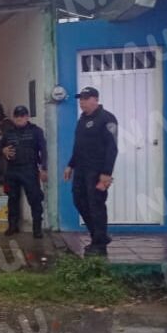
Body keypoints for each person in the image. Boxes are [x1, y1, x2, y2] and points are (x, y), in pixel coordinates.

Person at [63, 87, 118, 256]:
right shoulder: (82, 119)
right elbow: (78, 146)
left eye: (86, 99)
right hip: (81, 169)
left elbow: (112, 148)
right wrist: (70, 165)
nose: (82, 102)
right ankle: (99, 236)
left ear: (96, 99)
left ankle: (99, 244)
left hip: (97, 171)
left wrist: (106, 173)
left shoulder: (107, 118)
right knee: (79, 201)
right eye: (80, 99)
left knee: (96, 205)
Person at [0, 106, 47, 238]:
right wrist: (3, 150)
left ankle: (37, 229)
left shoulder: (36, 131)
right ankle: (12, 226)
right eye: (17, 116)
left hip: (29, 169)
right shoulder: (8, 132)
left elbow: (43, 150)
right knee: (12, 198)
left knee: (35, 199)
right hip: (12, 169)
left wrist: (44, 168)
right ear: (14, 118)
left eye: (22, 116)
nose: (19, 118)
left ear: (27, 117)